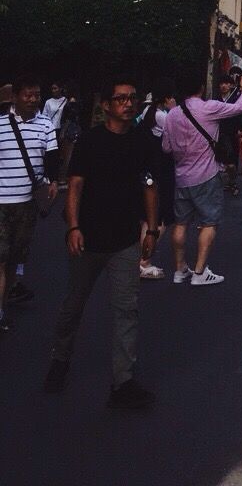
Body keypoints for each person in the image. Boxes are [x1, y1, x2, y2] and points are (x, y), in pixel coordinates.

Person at [44, 74, 159, 409]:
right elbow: (75, 187)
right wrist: (73, 227)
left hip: (124, 241)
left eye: (132, 98)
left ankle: (122, 383)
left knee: (127, 311)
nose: (128, 104)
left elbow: (150, 185)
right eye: (120, 99)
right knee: (73, 305)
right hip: (88, 239)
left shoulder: (142, 142)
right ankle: (60, 360)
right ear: (107, 105)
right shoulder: (91, 142)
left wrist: (151, 230)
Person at [161, 65, 242, 286]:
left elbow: (166, 147)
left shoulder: (171, 115)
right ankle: (200, 271)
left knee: (180, 224)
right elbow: (239, 107)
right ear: (202, 87)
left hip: (181, 176)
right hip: (207, 175)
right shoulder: (208, 107)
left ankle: (180, 269)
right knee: (209, 222)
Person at [0, 75, 58, 331]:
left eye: (37, 95)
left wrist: (53, 181)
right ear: (15, 97)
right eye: (28, 95)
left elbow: (52, 157)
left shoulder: (46, 124)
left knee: (14, 260)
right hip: (1, 202)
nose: (33, 100)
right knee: (1, 260)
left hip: (27, 203)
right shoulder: (0, 124)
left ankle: (3, 302)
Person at [136, 90, 176, 279]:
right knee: (160, 217)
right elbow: (175, 138)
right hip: (162, 169)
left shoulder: (145, 113)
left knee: (146, 216)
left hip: (146, 167)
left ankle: (139, 260)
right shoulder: (164, 116)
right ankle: (144, 261)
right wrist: (174, 110)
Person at [216, 72, 242, 195]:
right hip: (219, 134)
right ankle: (226, 183)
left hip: (233, 133)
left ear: (231, 85)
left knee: (232, 164)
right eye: (222, 83)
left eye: (226, 83)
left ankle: (232, 182)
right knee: (221, 162)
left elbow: (240, 116)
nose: (224, 86)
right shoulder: (215, 100)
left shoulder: (235, 99)